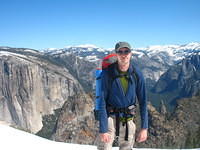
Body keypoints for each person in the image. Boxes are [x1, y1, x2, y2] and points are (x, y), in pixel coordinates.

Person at [97, 42, 148, 150]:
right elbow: (102, 101)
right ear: (116, 54)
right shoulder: (108, 73)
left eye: (126, 51)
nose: (123, 54)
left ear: (131, 53)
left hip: (128, 119)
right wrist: (103, 129)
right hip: (109, 118)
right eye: (120, 51)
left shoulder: (137, 74)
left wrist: (144, 128)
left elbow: (143, 101)